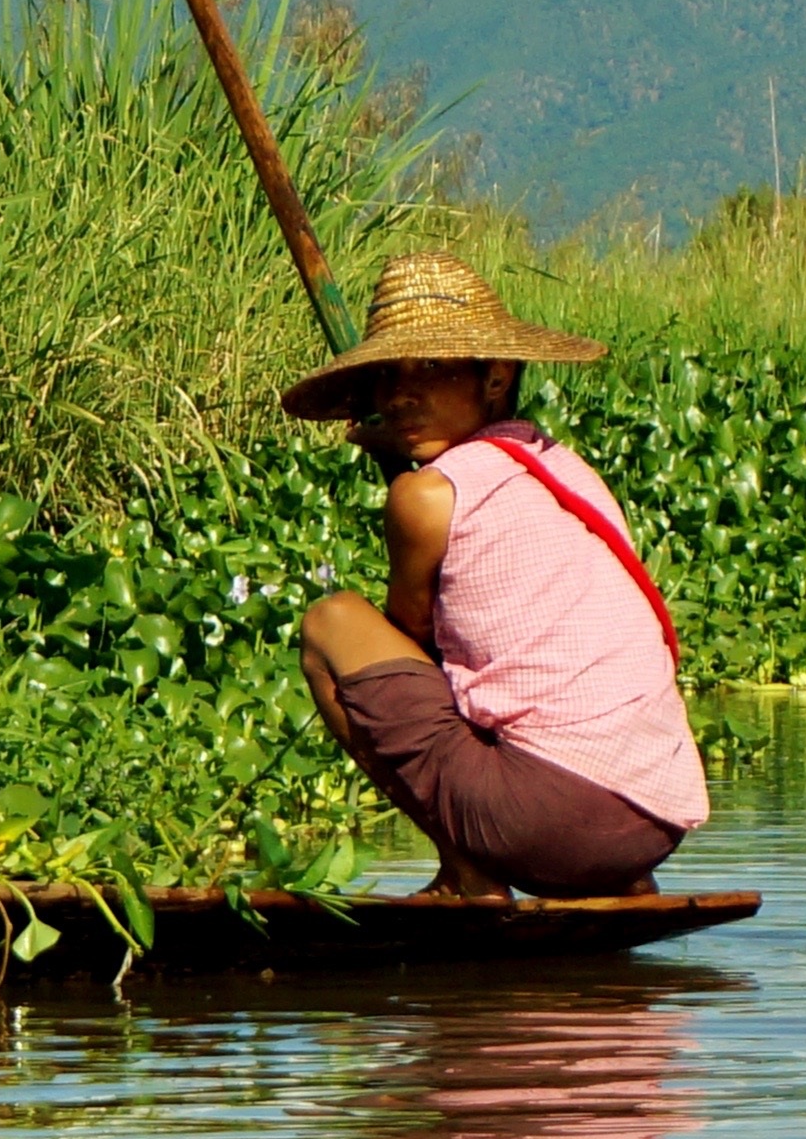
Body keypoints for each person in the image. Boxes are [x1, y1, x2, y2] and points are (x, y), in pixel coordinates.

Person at [282, 252, 708, 899]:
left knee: (331, 623)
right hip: (655, 820)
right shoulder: (564, 470)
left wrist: (409, 480)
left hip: (545, 820)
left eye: (431, 366)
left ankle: (468, 871)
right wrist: (410, 454)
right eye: (387, 376)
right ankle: (625, 882)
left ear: (496, 376)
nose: (401, 395)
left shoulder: (423, 498)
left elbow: (411, 640)